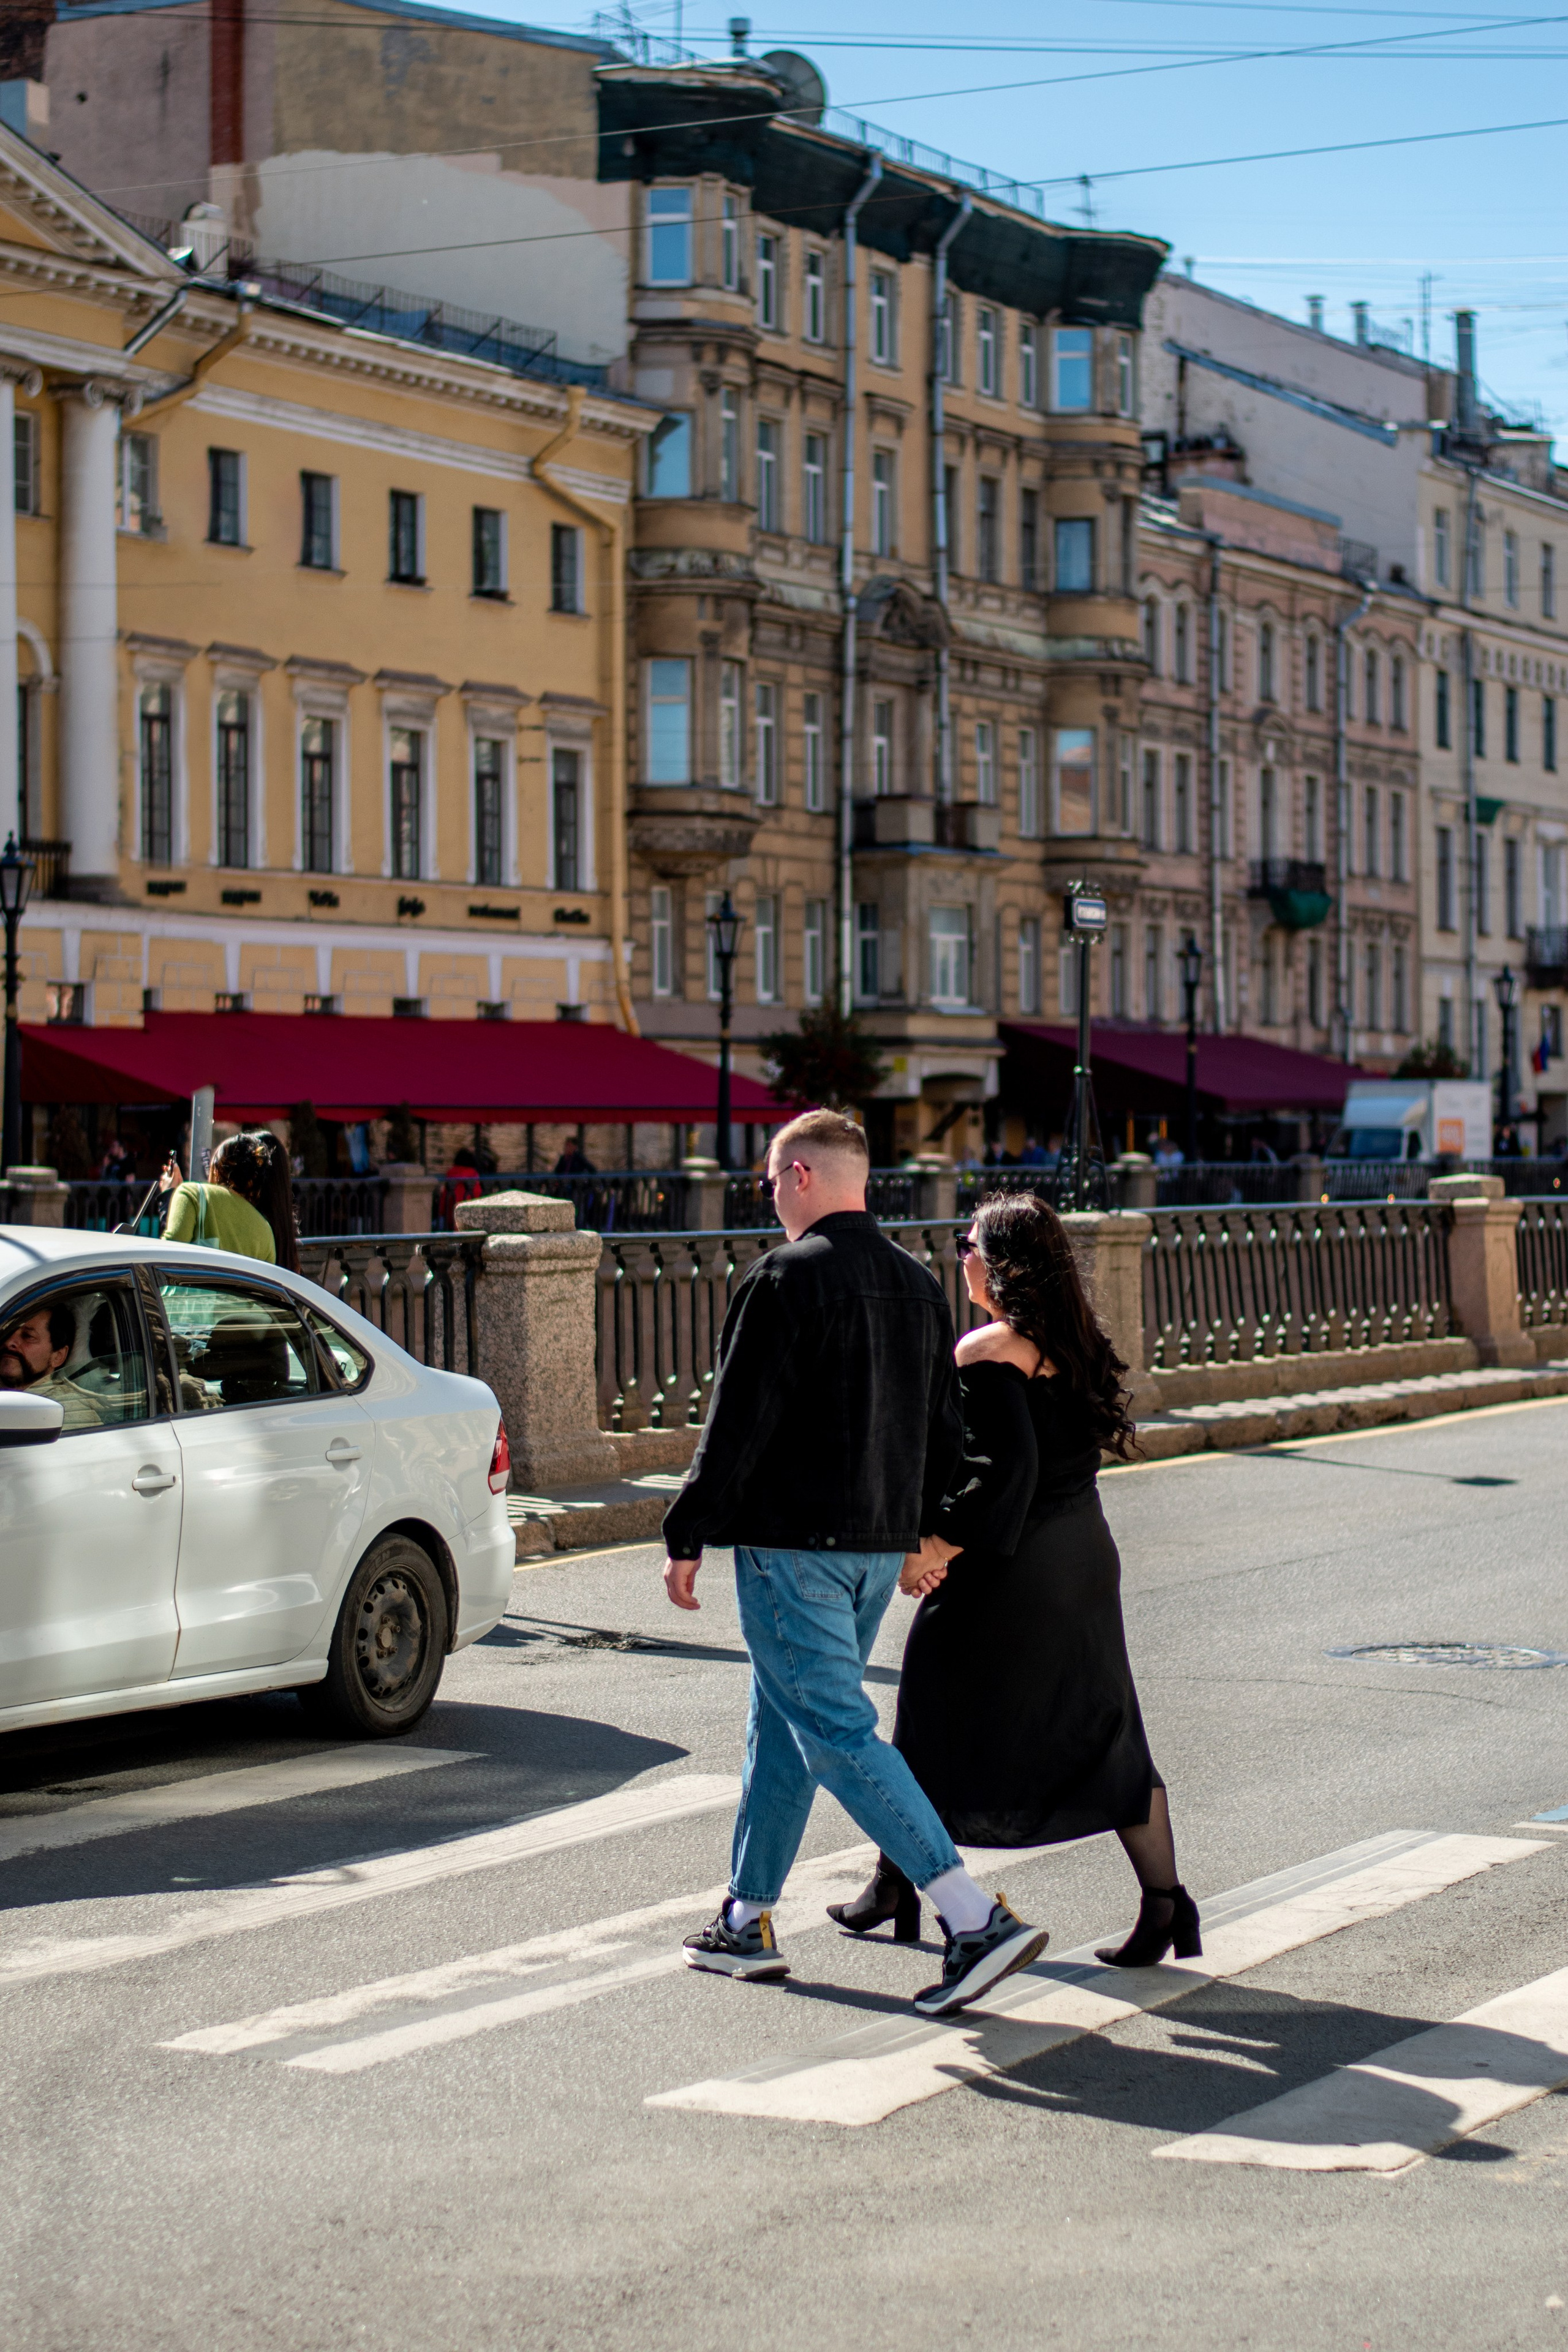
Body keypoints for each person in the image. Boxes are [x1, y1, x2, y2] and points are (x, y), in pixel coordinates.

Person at [661, 1109, 1049, 2019]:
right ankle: (745, 1918)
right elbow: (942, 1432)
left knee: (833, 1731)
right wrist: (919, 1534)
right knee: (784, 1722)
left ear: (800, 1177)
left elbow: (737, 1422)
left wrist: (687, 1530)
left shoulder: (782, 1277)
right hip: (875, 1550)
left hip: (793, 1548)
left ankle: (971, 1917)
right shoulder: (917, 1283)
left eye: (768, 1183)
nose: (768, 1198)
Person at [829, 1191, 1201, 1971]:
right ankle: (1166, 1903)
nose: (958, 1256)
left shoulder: (989, 1348)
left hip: (1016, 1567)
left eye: (967, 1245)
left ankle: (897, 1884)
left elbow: (1003, 1474)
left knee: (927, 1719)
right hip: (1082, 1556)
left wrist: (933, 1547)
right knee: (1103, 1728)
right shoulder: (1071, 1340)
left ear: (1000, 1264)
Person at [159, 1129, 301, 1272]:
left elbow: (167, 1257)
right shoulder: (266, 1230)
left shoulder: (192, 1194)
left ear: (217, 1171)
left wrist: (169, 1196)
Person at [0, 1302, 102, 1428]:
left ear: (58, 1357)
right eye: (7, 1333)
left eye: (28, 1336)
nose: (9, 1342)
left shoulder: (70, 1412)